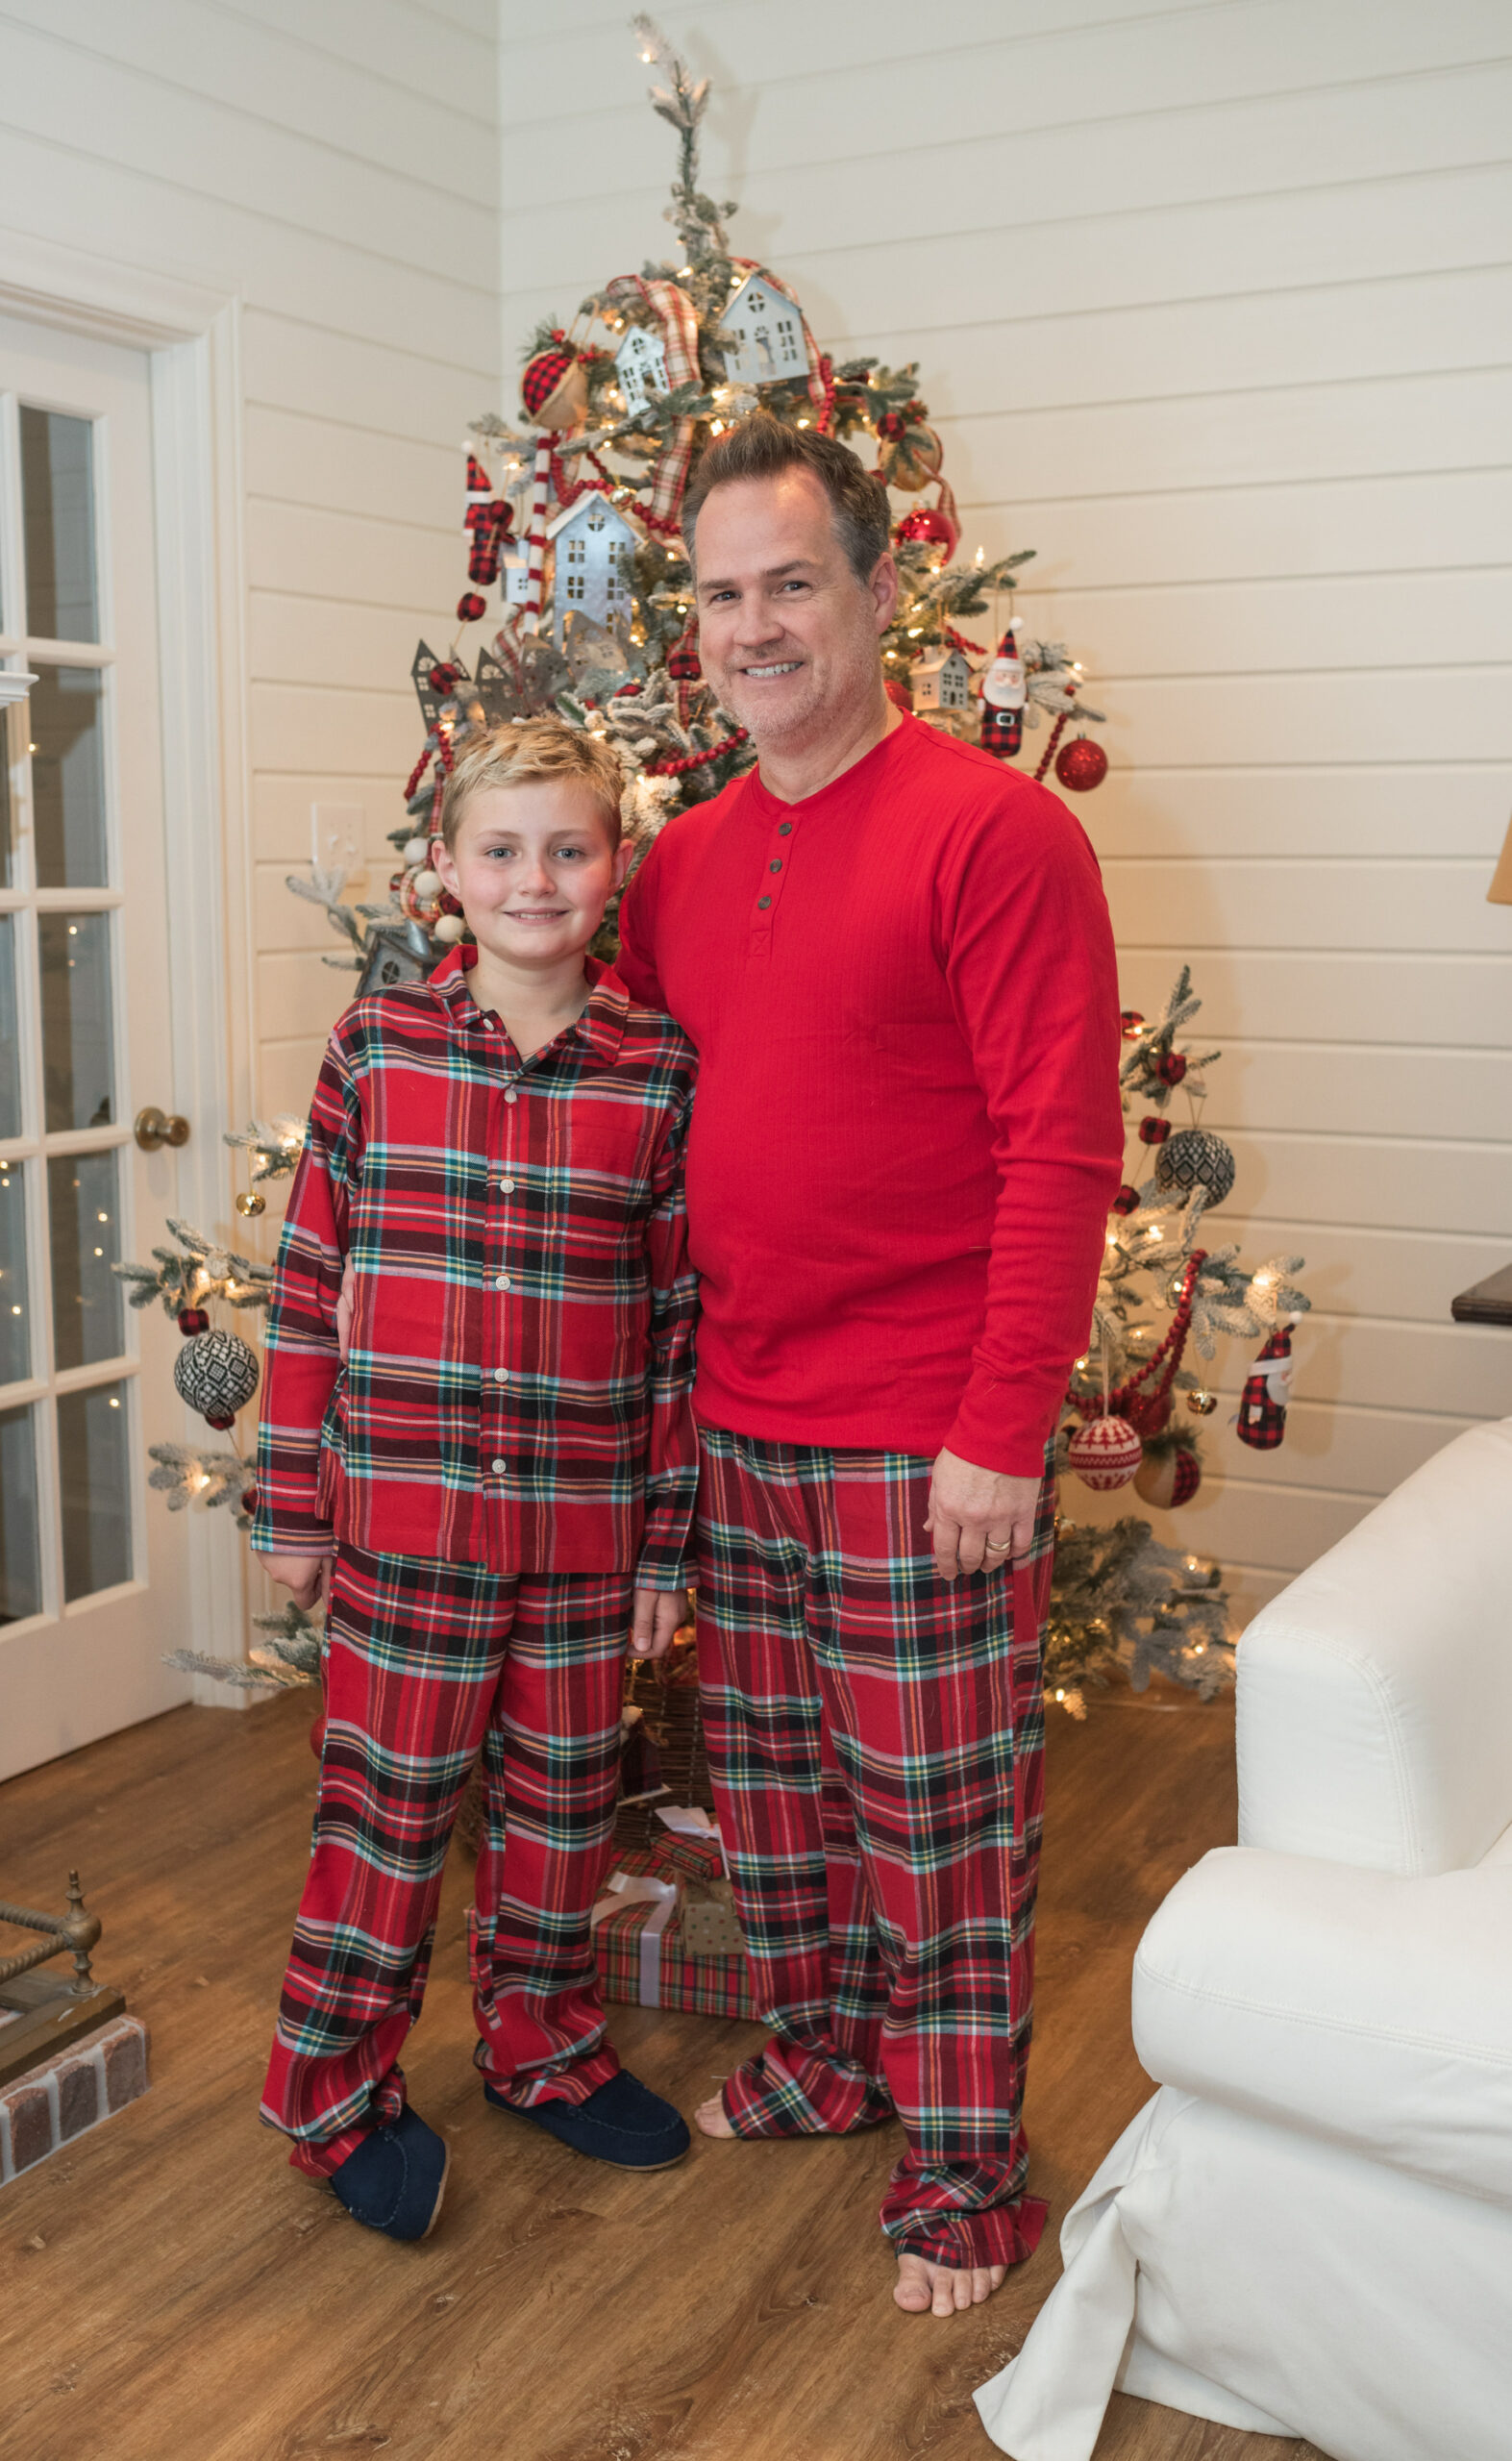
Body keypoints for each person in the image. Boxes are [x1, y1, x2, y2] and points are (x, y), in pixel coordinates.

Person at [615, 421, 1123, 2318]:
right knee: (772, 1794)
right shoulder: (677, 861)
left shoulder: (997, 831)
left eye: (790, 583)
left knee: (939, 1820)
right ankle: (827, 2055)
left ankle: (966, 2161)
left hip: (924, 1435)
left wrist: (1001, 1430)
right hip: (740, 1419)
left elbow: (1063, 1152)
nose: (751, 627)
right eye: (721, 592)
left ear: (879, 590)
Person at [251, 718, 700, 2242]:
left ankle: (540, 2049)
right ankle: (332, 2096)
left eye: (567, 849)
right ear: (446, 868)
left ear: (611, 868)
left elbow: (674, 1326)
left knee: (562, 1815)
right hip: (407, 1530)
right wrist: (293, 1502)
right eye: (500, 849)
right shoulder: (377, 1046)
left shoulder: (656, 1073)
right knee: (384, 1818)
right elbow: (310, 1281)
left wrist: (661, 1552)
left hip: (579, 1540)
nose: (533, 879)